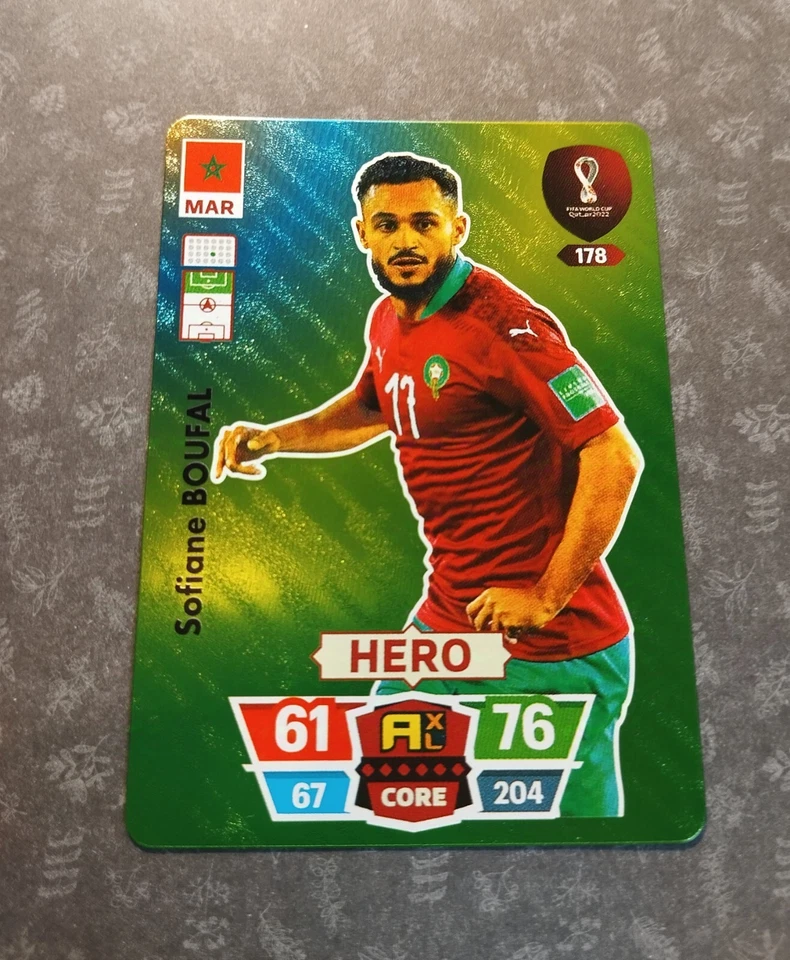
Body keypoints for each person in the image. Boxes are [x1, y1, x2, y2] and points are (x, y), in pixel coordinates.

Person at [213, 152, 643, 817]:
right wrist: (275, 437)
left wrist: (545, 598)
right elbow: (373, 405)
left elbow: (614, 454)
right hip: (446, 623)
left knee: (563, 845)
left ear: (457, 228)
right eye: (387, 225)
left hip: (550, 649)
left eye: (424, 222)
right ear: (363, 234)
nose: (406, 241)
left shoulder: (508, 328)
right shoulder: (389, 318)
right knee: (383, 798)